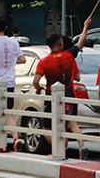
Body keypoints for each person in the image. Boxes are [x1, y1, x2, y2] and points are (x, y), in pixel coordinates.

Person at [32, 30, 86, 158]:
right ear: (60, 43)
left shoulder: (44, 62)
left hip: (52, 97)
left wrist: (38, 89)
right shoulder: (69, 56)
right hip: (69, 94)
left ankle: (62, 146)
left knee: (46, 127)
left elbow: (35, 81)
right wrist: (85, 27)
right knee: (72, 123)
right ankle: (82, 146)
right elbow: (81, 42)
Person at [0, 15, 26, 149]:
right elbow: (22, 59)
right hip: (9, 83)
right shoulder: (14, 42)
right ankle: (16, 139)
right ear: (6, 27)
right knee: (8, 113)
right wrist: (11, 61)